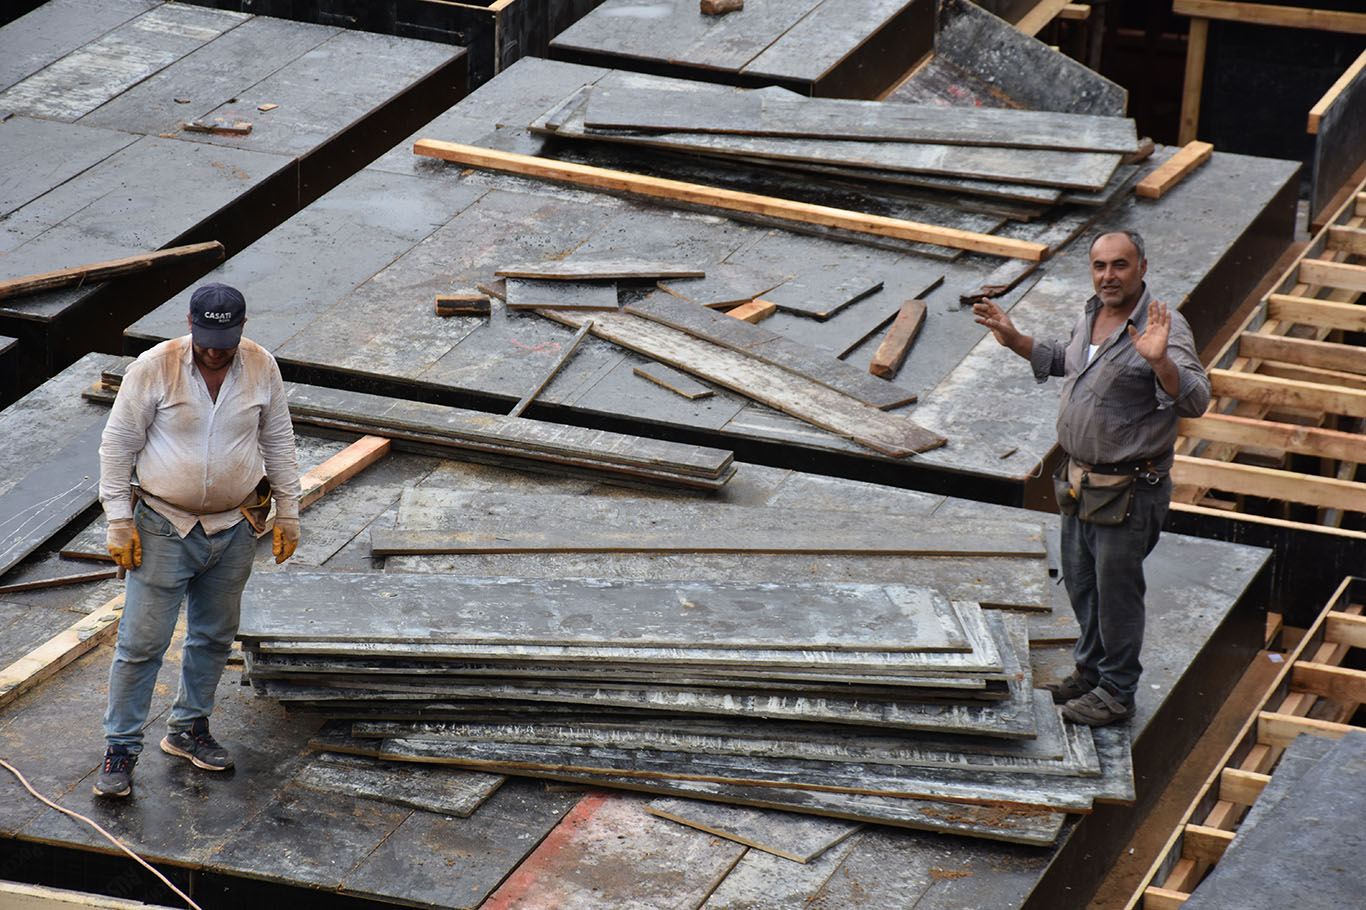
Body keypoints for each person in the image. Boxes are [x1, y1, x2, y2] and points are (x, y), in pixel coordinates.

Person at [973, 230, 1210, 726]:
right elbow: (1070, 361)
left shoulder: (1162, 326)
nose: (1108, 276)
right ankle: (1092, 672)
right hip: (1080, 482)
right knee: (1082, 583)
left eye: (1120, 265)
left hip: (1128, 490)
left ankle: (1117, 692)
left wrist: (1160, 361)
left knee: (1116, 594)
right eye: (1100, 266)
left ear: (1142, 267)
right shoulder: (1092, 314)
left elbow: (1195, 400)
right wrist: (1016, 340)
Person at [94, 283, 301, 797]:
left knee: (213, 636)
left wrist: (289, 513)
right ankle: (121, 747)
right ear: (190, 324)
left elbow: (278, 439)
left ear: (243, 329)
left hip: (235, 527)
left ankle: (188, 728)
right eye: (206, 340)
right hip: (164, 526)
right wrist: (118, 521)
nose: (214, 351)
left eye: (225, 342)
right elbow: (117, 446)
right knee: (141, 644)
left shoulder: (261, 366)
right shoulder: (154, 367)